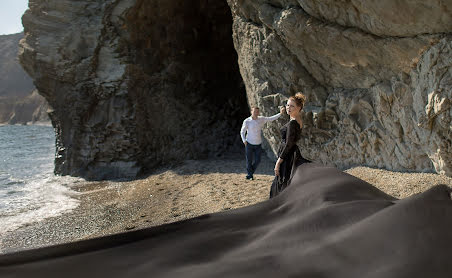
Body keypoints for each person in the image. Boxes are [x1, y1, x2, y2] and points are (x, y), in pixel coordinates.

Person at [270, 93, 311, 198]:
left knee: (281, 184)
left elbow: (289, 143)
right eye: (287, 105)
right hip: (291, 153)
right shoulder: (297, 121)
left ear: (299, 108)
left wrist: (279, 161)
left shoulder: (293, 123)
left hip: (288, 156)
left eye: (292, 106)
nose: (288, 108)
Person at [240, 106, 285, 180]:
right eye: (254, 111)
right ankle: (250, 175)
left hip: (258, 144)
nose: (256, 113)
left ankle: (250, 172)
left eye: (257, 112)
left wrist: (280, 113)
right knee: (249, 160)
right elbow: (242, 131)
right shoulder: (247, 121)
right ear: (251, 112)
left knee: (258, 160)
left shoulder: (261, 119)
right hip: (249, 143)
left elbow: (271, 118)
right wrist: (244, 140)